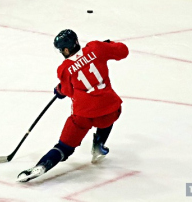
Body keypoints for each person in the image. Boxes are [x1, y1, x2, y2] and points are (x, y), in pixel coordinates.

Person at [17, 29, 129, 182]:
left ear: (66, 49)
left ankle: (43, 165)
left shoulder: (64, 69)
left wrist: (59, 90)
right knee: (109, 111)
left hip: (83, 115)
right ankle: (99, 144)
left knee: (64, 146)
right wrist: (108, 45)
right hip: (109, 110)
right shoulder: (96, 48)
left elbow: (68, 90)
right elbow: (123, 51)